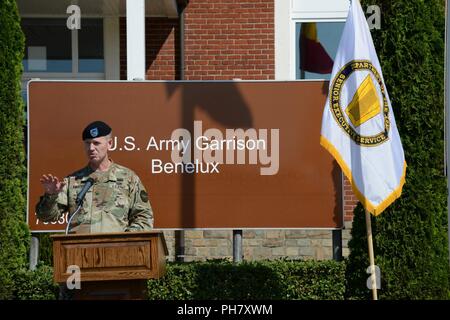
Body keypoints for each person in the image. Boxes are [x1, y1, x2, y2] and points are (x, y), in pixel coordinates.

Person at [36, 121, 153, 234]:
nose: (91, 148)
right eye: (87, 143)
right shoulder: (72, 180)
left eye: (96, 143)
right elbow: (46, 217)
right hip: (78, 251)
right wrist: (51, 196)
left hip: (117, 251)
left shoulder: (129, 178)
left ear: (110, 144)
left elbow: (144, 216)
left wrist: (125, 240)